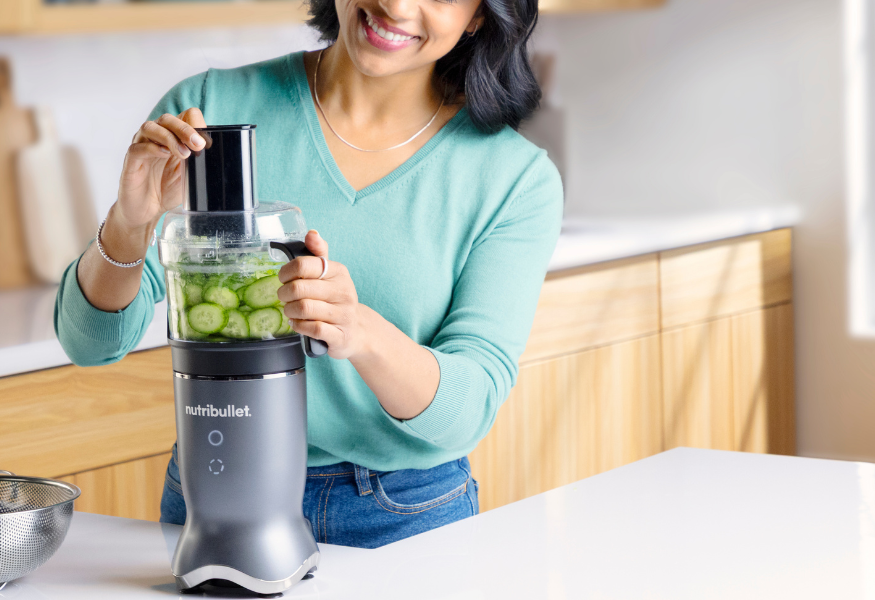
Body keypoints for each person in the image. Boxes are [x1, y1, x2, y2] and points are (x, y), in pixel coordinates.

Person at [53, 0, 560, 549]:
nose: (395, 5)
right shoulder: (210, 109)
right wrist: (130, 224)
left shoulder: (513, 178)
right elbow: (90, 342)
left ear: (482, 15)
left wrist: (359, 331)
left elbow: (469, 409)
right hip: (219, 485)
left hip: (404, 515)